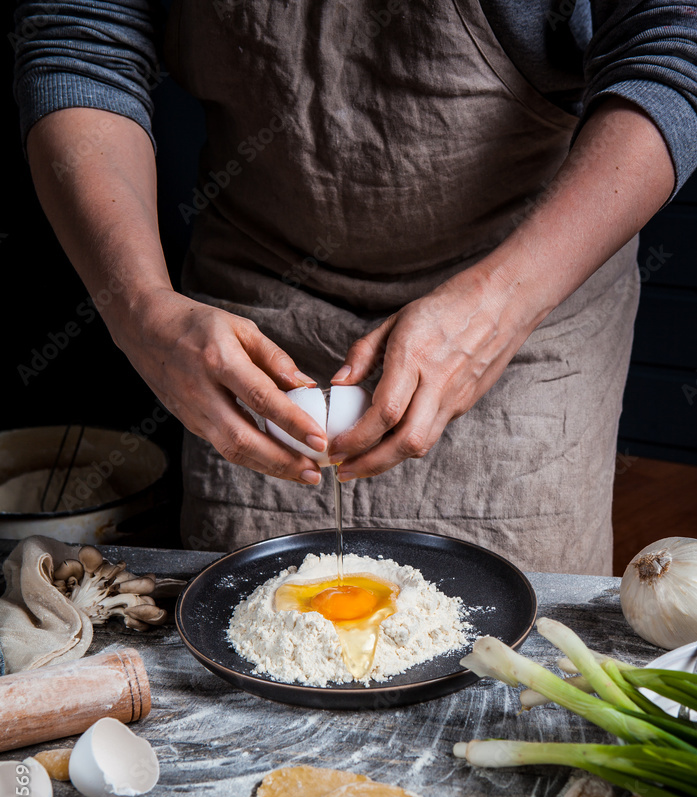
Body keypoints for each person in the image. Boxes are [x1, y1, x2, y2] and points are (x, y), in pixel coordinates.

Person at [13, 0, 697, 572]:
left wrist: (502, 302)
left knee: (507, 670)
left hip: (523, 303)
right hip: (259, 307)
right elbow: (82, 43)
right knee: (264, 651)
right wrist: (136, 305)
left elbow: (677, 45)